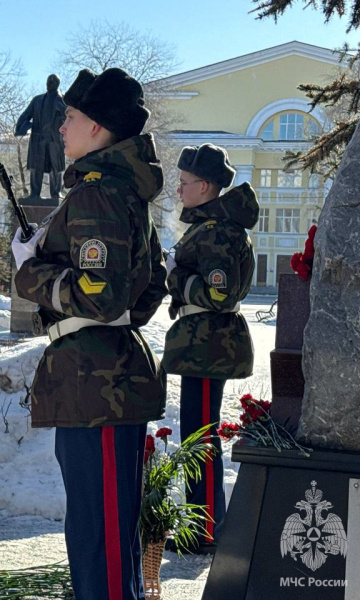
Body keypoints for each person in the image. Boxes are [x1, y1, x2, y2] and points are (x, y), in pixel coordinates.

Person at [12, 68, 168, 600]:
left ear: (98, 128)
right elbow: (147, 290)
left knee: (99, 538)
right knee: (102, 535)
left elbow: (102, 297)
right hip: (98, 382)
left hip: (95, 386)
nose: (60, 126)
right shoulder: (116, 192)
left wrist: (29, 270)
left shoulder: (97, 195)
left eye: (71, 117)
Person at [162, 143, 258, 553]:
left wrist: (175, 277)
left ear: (205, 186)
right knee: (198, 438)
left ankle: (202, 531)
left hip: (208, 347)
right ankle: (202, 525)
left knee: (199, 439)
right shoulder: (211, 226)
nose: (179, 190)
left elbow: (218, 295)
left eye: (184, 183)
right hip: (204, 345)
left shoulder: (218, 230)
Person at [15, 74, 66, 201]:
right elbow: (26, 115)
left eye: (53, 82)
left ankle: (56, 193)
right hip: (39, 139)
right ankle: (34, 194)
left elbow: (70, 118)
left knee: (56, 167)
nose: (50, 83)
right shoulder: (37, 100)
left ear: (57, 84)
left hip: (55, 139)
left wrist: (63, 108)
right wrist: (21, 126)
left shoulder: (63, 100)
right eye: (49, 81)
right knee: (36, 167)